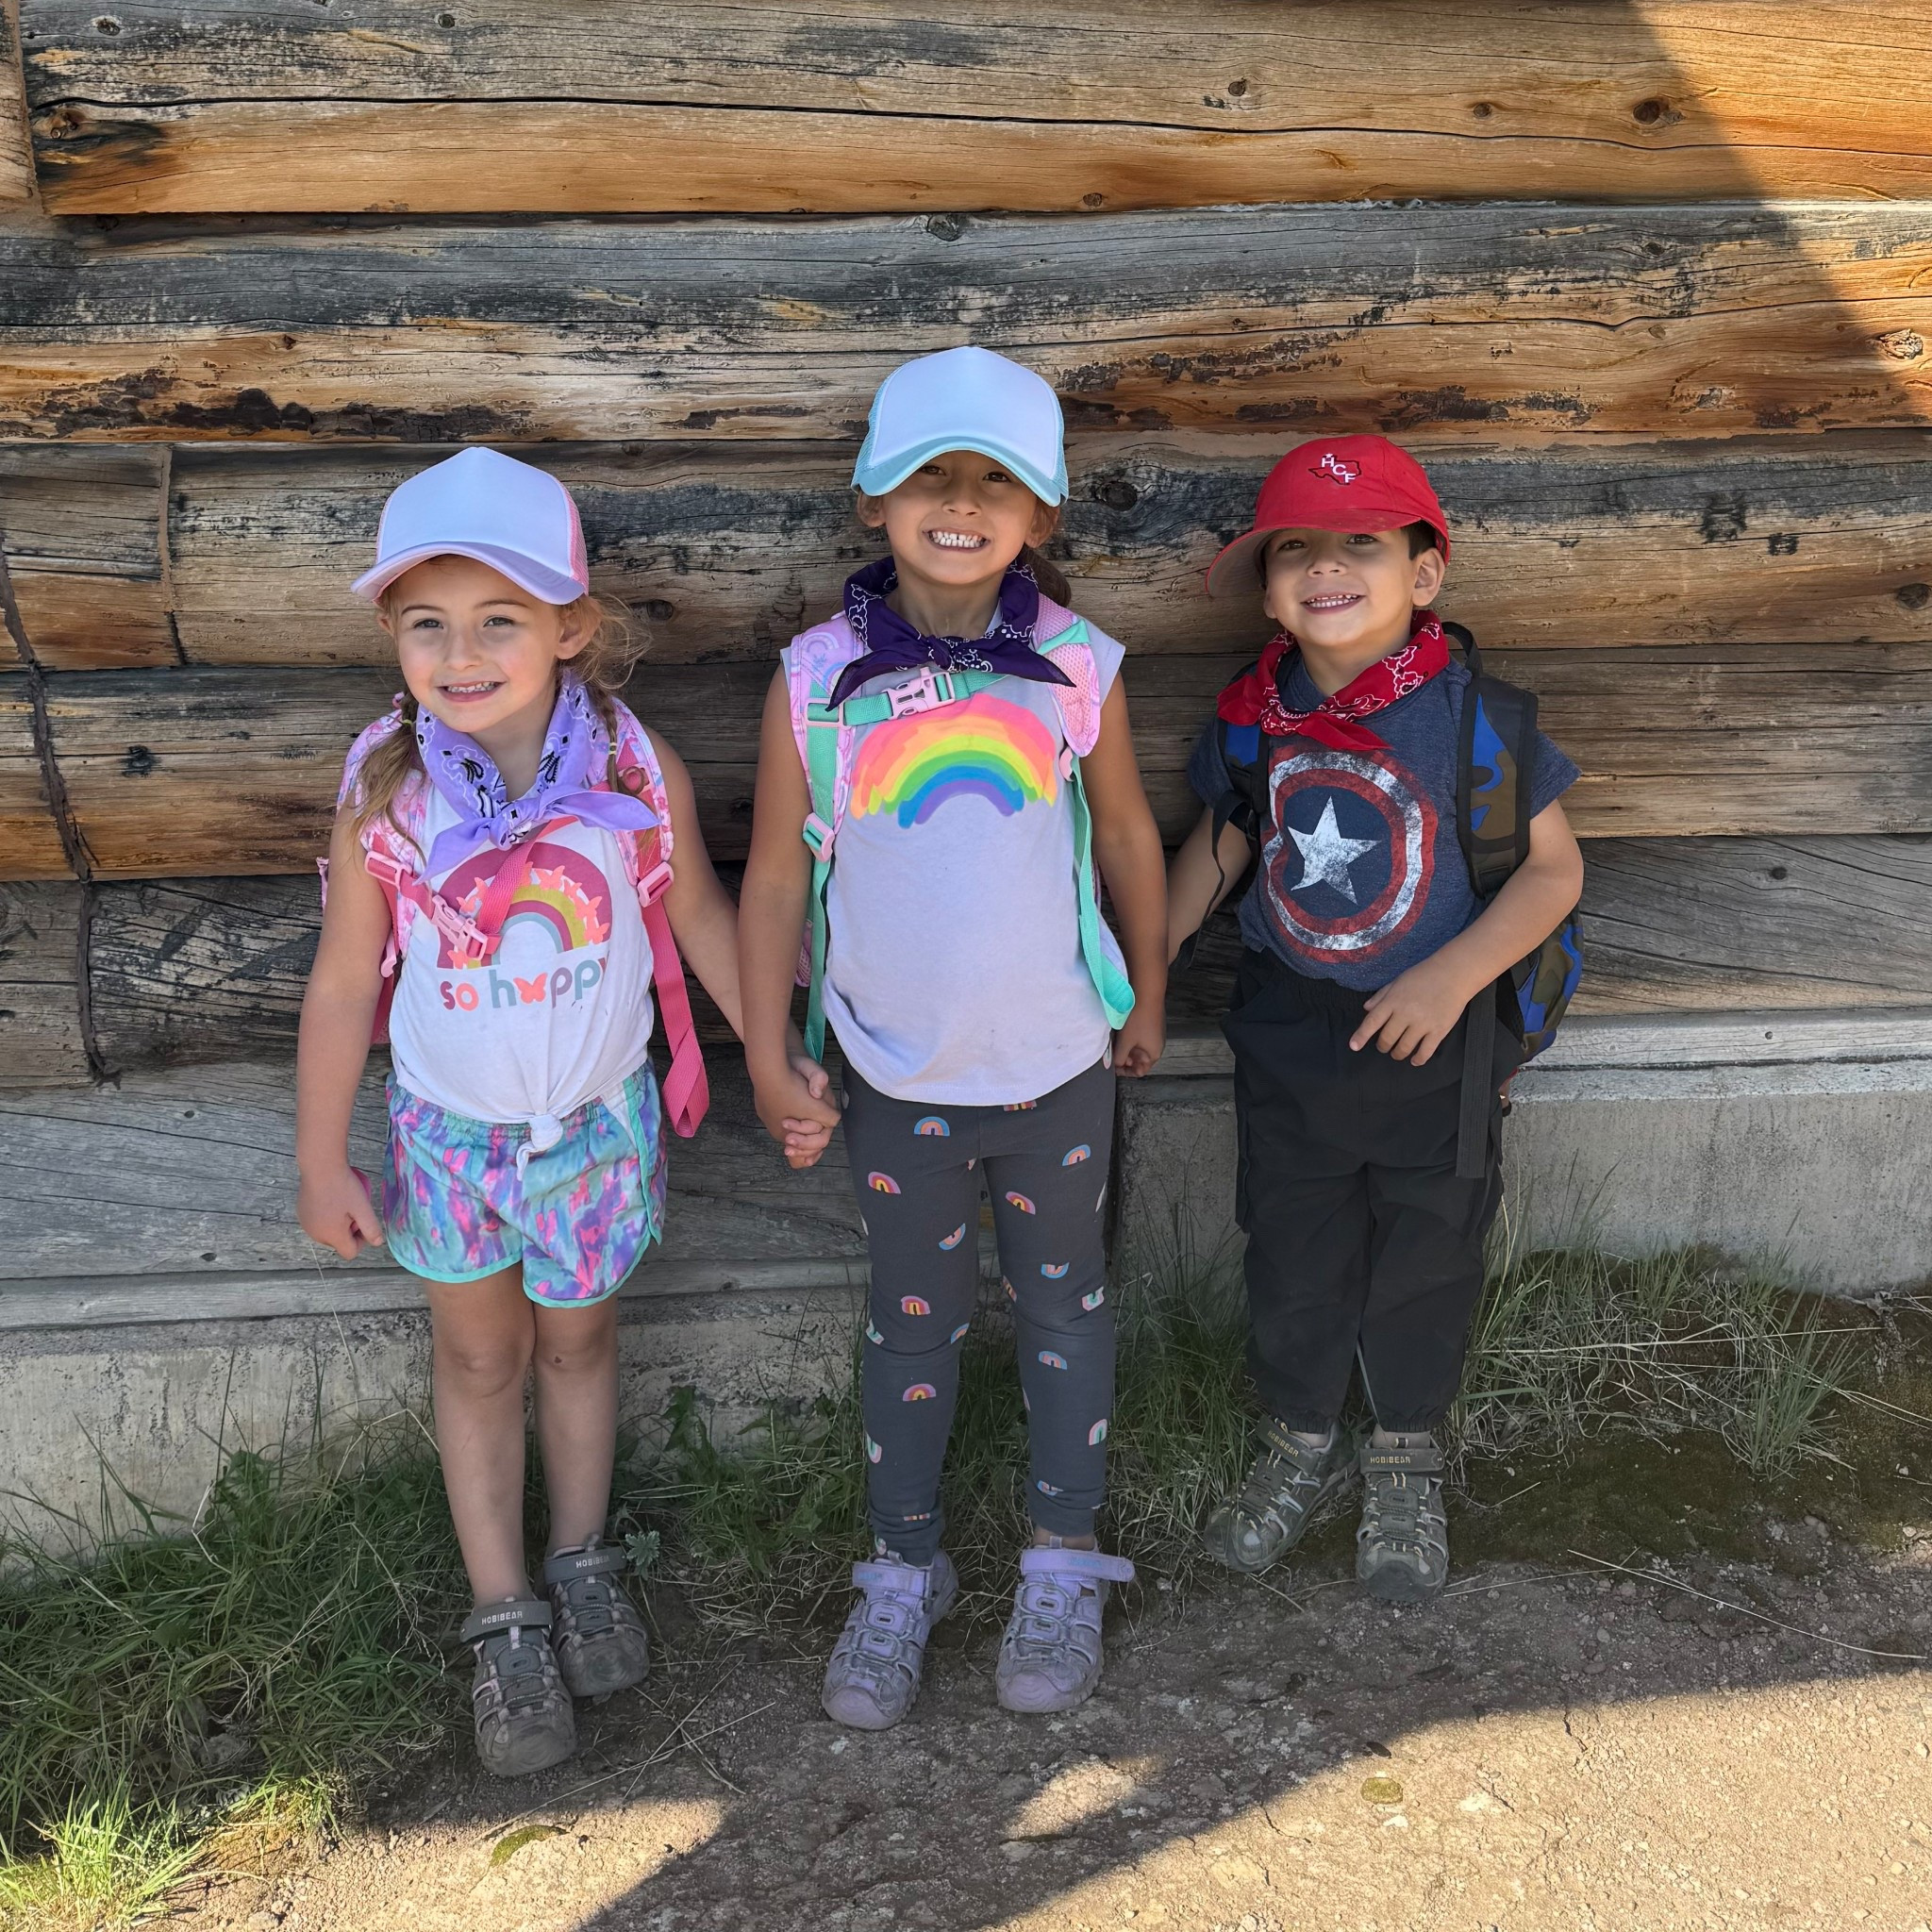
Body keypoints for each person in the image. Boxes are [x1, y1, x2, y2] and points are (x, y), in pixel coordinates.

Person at [294, 447, 830, 1775]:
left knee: (582, 1350)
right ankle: (503, 1614)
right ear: (392, 637)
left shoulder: (630, 768)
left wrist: (771, 1055)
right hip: (450, 1141)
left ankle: (583, 1557)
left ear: (569, 629)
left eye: (499, 620)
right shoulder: (388, 789)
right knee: (480, 1361)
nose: (461, 653)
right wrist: (321, 1156)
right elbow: (343, 977)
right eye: (428, 623)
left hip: (595, 1130)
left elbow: (700, 916)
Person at [737, 346, 1170, 1727]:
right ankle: (900, 1571)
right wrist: (763, 1046)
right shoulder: (815, 680)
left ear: (1040, 515)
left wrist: (1147, 992)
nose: (962, 502)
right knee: (909, 1328)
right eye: (934, 473)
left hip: (1056, 1070)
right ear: (875, 497)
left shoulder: (1077, 668)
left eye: (997, 481)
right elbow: (766, 874)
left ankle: (1059, 1557)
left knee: (1064, 1310)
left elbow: (1128, 838)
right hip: (892, 1072)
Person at [1166, 435, 1585, 1604]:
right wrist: (1137, 965)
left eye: (1361, 543)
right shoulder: (1255, 715)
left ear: (1425, 574)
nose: (1325, 569)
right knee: (1290, 1244)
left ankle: (1404, 1449)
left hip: (1438, 1040)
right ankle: (1298, 1435)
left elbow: (1552, 876)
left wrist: (1450, 979)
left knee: (1424, 1252)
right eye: (1293, 549)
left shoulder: (1475, 721)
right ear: (1264, 585)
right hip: (1291, 1029)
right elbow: (1222, 845)